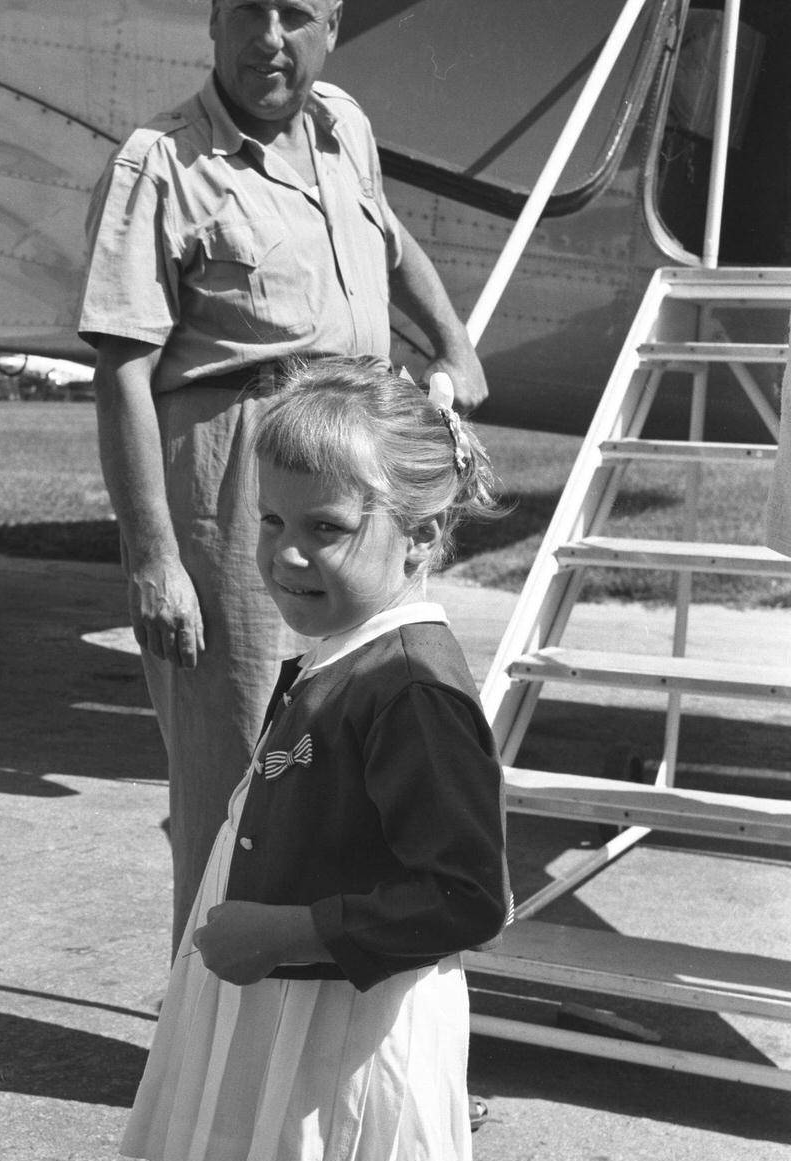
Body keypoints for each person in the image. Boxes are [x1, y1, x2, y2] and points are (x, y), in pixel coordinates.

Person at [119, 359, 510, 1161]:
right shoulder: (342, 649)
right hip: (314, 1031)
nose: (285, 554)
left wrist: (282, 932)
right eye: (270, 522)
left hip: (354, 1041)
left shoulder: (409, 687)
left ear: (419, 536)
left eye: (325, 528)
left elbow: (466, 895)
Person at [78, 0, 488, 951]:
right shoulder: (160, 163)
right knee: (238, 783)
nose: (271, 36)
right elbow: (122, 371)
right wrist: (155, 561)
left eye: (296, 14)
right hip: (238, 475)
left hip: (358, 459)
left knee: (361, 747)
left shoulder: (343, 125)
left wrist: (455, 344)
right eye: (247, 12)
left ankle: (332, 1044)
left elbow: (389, 241)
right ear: (213, 25)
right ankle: (211, 1053)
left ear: (332, 27)